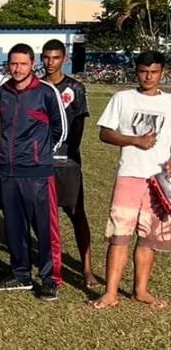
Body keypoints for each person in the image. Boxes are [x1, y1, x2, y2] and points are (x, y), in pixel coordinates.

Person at [92, 50, 171, 310]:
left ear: (163, 73)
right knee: (120, 235)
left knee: (148, 237)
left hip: (159, 180)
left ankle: (141, 291)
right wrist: (134, 140)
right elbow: (105, 134)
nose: (148, 77)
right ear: (136, 71)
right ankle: (110, 293)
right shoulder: (122, 98)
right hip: (129, 175)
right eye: (143, 71)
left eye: (154, 72)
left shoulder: (169, 103)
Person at [0, 43, 66, 300]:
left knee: (45, 228)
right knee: (14, 226)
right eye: (13, 63)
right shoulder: (3, 92)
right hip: (8, 171)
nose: (17, 68)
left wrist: (40, 153)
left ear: (32, 64)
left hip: (37, 171)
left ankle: (50, 278)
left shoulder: (46, 92)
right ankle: (21, 274)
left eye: (23, 64)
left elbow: (60, 129)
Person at [41, 39, 96, 287]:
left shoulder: (76, 87)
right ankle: (50, 266)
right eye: (46, 57)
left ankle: (87, 269)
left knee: (77, 214)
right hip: (40, 163)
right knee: (43, 217)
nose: (50, 62)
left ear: (64, 59)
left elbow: (79, 127)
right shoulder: (37, 86)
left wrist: (69, 154)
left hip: (68, 163)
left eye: (55, 57)